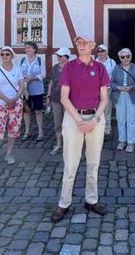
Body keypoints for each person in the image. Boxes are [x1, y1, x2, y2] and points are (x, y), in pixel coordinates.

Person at [51, 33, 109, 223]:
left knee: (93, 163)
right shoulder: (68, 67)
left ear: (92, 46)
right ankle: (64, 203)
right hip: (73, 118)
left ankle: (91, 200)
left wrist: (94, 120)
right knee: (70, 164)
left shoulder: (100, 68)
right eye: (79, 43)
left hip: (95, 118)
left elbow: (104, 98)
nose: (82, 45)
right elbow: (64, 97)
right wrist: (79, 120)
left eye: (85, 42)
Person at [0, 46, 25, 169]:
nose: (4, 56)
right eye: (2, 54)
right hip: (0, 104)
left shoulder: (17, 69)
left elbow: (22, 86)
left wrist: (14, 99)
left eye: (7, 54)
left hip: (16, 103)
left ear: (12, 56)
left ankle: (8, 154)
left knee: (13, 130)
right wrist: (7, 100)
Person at [111, 48, 135, 153]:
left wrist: (132, 87)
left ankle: (130, 142)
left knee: (131, 120)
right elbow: (111, 83)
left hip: (131, 96)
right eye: (123, 57)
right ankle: (122, 141)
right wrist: (118, 87)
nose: (125, 59)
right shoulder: (116, 67)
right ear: (120, 58)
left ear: (131, 56)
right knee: (121, 119)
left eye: (127, 56)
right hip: (120, 96)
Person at [46, 47, 71, 155]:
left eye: (60, 56)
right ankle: (58, 144)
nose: (58, 57)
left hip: (69, 100)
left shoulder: (71, 67)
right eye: (58, 56)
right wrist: (48, 96)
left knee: (69, 123)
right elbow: (51, 83)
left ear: (66, 57)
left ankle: (69, 145)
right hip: (55, 98)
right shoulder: (55, 67)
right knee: (57, 123)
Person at [20, 41, 46, 141]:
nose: (27, 50)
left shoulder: (39, 59)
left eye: (29, 48)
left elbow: (43, 74)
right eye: (26, 48)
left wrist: (33, 78)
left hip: (37, 90)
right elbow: (19, 73)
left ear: (34, 49)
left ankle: (40, 132)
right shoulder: (22, 60)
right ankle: (27, 131)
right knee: (26, 111)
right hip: (25, 90)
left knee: (38, 111)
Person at [95, 44, 116, 138]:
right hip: (95, 90)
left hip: (107, 89)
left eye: (102, 51)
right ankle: (98, 129)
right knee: (97, 109)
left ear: (106, 52)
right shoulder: (94, 62)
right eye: (98, 51)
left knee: (107, 110)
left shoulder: (112, 62)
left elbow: (114, 76)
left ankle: (107, 130)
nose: (100, 53)